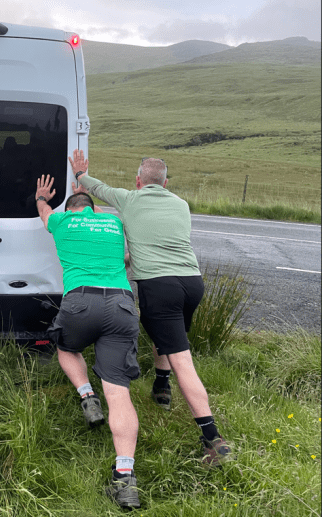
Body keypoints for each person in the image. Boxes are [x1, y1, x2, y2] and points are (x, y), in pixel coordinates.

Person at [72, 150, 231, 466]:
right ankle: (161, 384)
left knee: (182, 358)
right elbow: (151, 234)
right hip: (191, 283)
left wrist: (79, 175)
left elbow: (95, 187)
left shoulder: (130, 200)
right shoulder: (181, 205)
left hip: (159, 287)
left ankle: (213, 438)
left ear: (138, 181)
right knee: (166, 335)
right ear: (166, 183)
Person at [35, 175, 141, 509]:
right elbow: (126, 259)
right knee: (119, 391)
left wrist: (41, 196)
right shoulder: (112, 222)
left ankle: (87, 397)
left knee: (66, 347)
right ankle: (125, 480)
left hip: (80, 300)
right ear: (94, 209)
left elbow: (43, 211)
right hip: (122, 303)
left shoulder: (62, 220)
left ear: (72, 211)